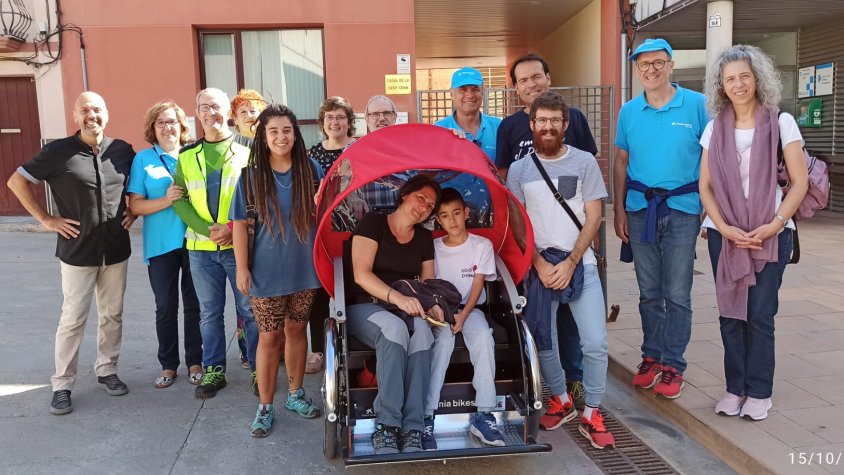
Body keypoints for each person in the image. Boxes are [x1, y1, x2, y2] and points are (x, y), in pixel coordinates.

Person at [6, 91, 136, 415]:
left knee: (112, 315)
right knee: (73, 319)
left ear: (107, 113)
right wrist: (45, 219)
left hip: (116, 249)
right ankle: (62, 384)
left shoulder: (122, 151)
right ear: (76, 116)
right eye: (85, 110)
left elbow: (136, 187)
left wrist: (134, 209)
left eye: (97, 109)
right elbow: (16, 182)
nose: (92, 114)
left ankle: (107, 370)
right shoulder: (57, 152)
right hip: (78, 251)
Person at [699, 45, 808, 421]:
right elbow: (705, 187)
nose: (739, 84)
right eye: (730, 79)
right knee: (730, 314)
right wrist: (725, 227)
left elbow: (799, 182)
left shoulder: (781, 122)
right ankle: (735, 388)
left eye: (745, 75)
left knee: (759, 314)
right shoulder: (715, 127)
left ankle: (759, 391)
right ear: (721, 86)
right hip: (724, 233)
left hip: (772, 230)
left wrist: (776, 223)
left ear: (757, 78)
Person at [507, 91, 614, 449]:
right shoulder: (520, 170)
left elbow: (595, 216)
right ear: (532, 125)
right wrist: (538, 263)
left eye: (556, 120)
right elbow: (518, 224)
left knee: (595, 342)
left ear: (566, 125)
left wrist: (569, 262)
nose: (549, 126)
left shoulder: (584, 163)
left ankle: (593, 412)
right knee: (544, 339)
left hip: (578, 263)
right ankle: (561, 400)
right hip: (540, 268)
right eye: (542, 121)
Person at [495, 51, 597, 406]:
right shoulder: (509, 127)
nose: (531, 84)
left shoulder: (576, 120)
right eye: (523, 80)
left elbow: (587, 178)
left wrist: (584, 246)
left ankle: (576, 379)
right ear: (516, 88)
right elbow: (506, 186)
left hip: (572, 243)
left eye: (536, 76)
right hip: (536, 244)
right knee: (541, 318)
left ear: (548, 78)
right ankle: (547, 384)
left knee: (573, 316)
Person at [613, 38, 709, 399]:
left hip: (683, 209)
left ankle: (673, 364)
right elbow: (621, 160)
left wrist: (707, 207)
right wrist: (620, 208)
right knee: (649, 292)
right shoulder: (629, 111)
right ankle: (651, 356)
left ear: (671, 65)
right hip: (641, 211)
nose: (650, 70)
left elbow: (712, 157)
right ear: (636, 71)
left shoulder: (697, 105)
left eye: (657, 63)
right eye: (643, 65)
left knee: (677, 293)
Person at [230, 104, 325, 437]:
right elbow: (239, 225)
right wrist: (242, 268)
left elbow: (327, 214)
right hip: (266, 272)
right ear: (263, 137)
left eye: (287, 130)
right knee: (269, 338)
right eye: (274, 131)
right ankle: (265, 406)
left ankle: (296, 395)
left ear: (295, 134)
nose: (281, 137)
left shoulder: (311, 170)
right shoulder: (251, 176)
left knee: (298, 332)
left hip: (305, 269)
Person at [172, 87, 259, 399]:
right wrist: (209, 230)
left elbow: (258, 199)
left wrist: (232, 229)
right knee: (209, 313)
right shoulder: (186, 156)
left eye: (217, 106)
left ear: (229, 112)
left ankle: (258, 369)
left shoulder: (249, 150)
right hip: (201, 250)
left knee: (249, 309)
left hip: (240, 248)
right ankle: (214, 370)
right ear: (197, 113)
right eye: (204, 107)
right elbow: (178, 200)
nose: (211, 113)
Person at [347, 174, 442, 454]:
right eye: (420, 197)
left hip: (405, 306)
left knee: (424, 332)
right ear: (404, 195)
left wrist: (432, 303)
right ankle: (387, 425)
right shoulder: (374, 223)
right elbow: (361, 274)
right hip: (365, 304)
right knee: (394, 329)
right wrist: (398, 298)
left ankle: (413, 427)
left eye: (430, 205)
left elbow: (426, 284)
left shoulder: (424, 237)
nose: (424, 206)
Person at [127, 100, 203, 388]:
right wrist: (165, 200)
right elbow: (135, 206)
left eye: (172, 121)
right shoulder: (144, 159)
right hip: (160, 245)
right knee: (165, 306)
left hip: (195, 240)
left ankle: (195, 360)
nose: (167, 127)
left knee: (195, 305)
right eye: (161, 123)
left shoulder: (194, 154)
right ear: (153, 128)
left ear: (182, 125)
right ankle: (168, 365)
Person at [424, 188, 504, 450]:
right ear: (438, 220)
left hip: (470, 309)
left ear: (466, 213)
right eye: (445, 216)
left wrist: (464, 314)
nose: (452, 221)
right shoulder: (433, 247)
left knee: (483, 338)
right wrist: (445, 315)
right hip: (440, 311)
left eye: (457, 213)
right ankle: (427, 414)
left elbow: (478, 285)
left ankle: (484, 413)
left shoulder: (482, 246)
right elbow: (429, 285)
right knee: (443, 343)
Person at [306, 96, 357, 374]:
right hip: (322, 230)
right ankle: (317, 350)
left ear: (349, 122)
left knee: (352, 287)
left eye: (340, 117)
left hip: (355, 229)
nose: (335, 122)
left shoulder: (361, 149)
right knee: (317, 290)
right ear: (322, 123)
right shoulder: (312, 155)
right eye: (329, 117)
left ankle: (351, 344)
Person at [230, 88, 267, 369]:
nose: (249, 116)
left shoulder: (269, 145)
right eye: (243, 112)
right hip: (241, 227)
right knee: (246, 300)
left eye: (253, 110)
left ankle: (269, 349)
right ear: (235, 118)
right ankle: (249, 352)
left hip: (267, 232)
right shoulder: (232, 148)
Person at [434, 67, 501, 160]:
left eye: (475, 89)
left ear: (482, 92)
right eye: (463, 90)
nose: (470, 95)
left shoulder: (498, 127)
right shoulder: (439, 129)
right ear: (452, 94)